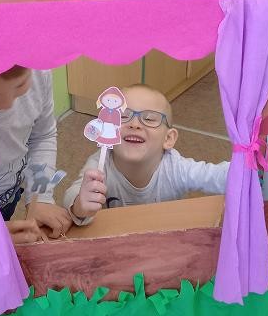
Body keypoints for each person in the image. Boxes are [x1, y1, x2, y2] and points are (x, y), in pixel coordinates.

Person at [65, 83, 229, 224]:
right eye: (123, 116)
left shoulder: (176, 168)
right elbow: (70, 198)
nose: (135, 124)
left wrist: (245, 161)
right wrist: (79, 205)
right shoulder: (100, 165)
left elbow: (219, 176)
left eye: (149, 119)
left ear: (168, 138)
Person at [0, 65, 72, 243]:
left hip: (7, 197)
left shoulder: (38, 70)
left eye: (20, 85)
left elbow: (42, 136)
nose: (7, 105)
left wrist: (40, 198)